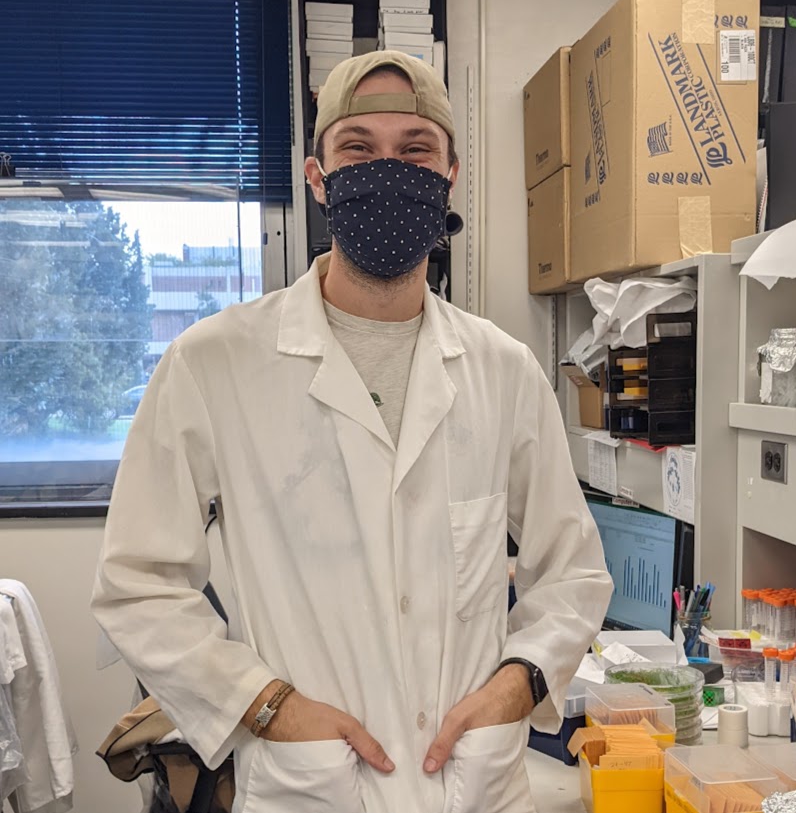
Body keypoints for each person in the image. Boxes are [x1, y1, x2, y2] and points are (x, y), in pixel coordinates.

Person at [92, 50, 613, 813]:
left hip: (476, 787)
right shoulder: (214, 365)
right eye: (358, 149)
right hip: (311, 787)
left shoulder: (504, 370)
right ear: (316, 177)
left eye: (414, 150)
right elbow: (136, 583)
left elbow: (570, 570)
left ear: (449, 176)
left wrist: (520, 682)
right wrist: (265, 704)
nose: (388, 169)